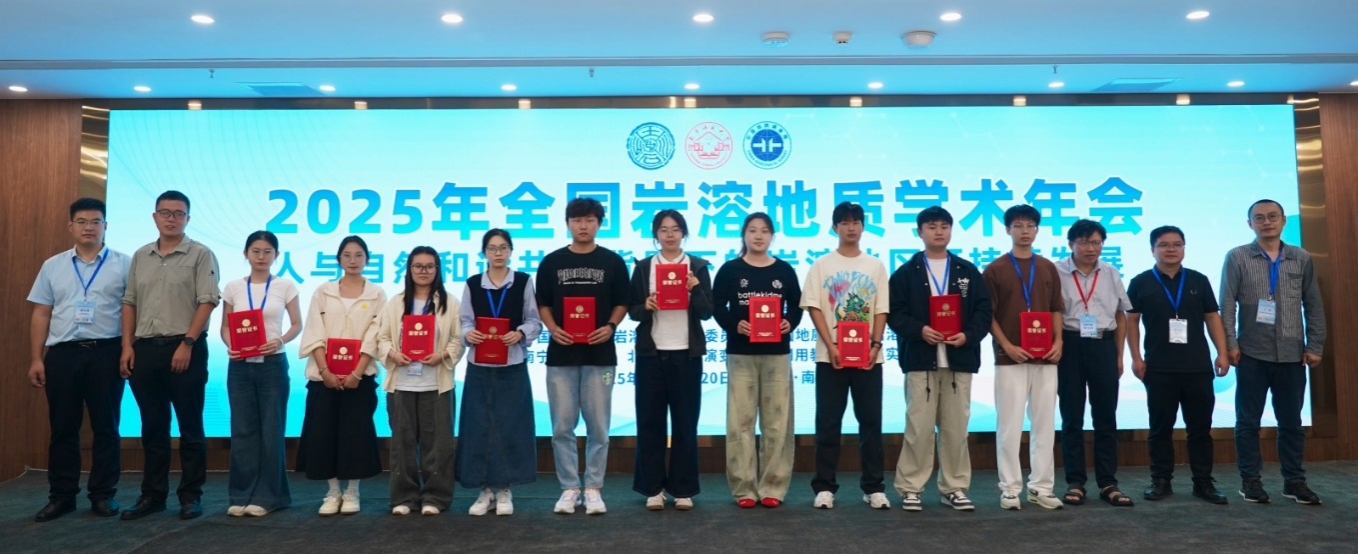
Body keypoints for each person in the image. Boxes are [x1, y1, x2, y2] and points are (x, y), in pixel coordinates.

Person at [27, 198, 132, 522]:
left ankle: (103, 495)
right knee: (63, 428)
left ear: (105, 226)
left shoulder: (124, 264)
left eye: (96, 221)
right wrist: (36, 358)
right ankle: (62, 497)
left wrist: (127, 348)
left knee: (106, 427)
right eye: (82, 221)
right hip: (63, 354)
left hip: (106, 352)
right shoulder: (53, 265)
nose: (89, 227)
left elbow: (131, 310)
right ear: (70, 225)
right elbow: (41, 313)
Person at [119, 190, 220, 521]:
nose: (171, 218)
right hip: (145, 349)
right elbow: (130, 302)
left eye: (178, 213)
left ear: (187, 219)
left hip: (185, 348)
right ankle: (153, 495)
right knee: (153, 427)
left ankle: (191, 495)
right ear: (155, 217)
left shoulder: (201, 254)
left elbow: (207, 301)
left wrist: (187, 343)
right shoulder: (141, 256)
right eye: (165, 212)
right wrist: (127, 346)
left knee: (190, 427)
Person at [1221, 200, 1327, 505]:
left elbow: (1313, 304)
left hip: (1292, 354)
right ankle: (1250, 481)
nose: (1266, 222)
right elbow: (1227, 304)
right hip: (1251, 353)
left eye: (1272, 217)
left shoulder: (1301, 257)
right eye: (1259, 218)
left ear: (1282, 221)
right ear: (1250, 224)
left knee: (1291, 423)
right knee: (1248, 422)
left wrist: (1315, 345)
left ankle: (1294, 481)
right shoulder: (1237, 256)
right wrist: (1231, 345)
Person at [887, 206, 991, 512]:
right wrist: (919, 330)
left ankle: (954, 487)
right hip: (921, 360)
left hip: (959, 361)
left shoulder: (966, 271)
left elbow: (984, 310)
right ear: (919, 232)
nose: (938, 232)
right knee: (918, 429)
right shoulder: (906, 273)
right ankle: (910, 488)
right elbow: (894, 313)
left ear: (951, 231)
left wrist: (968, 336)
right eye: (931, 226)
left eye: (944, 226)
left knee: (956, 430)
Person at [535, 197, 630, 516]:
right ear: (567, 223)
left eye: (590, 220)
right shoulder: (552, 262)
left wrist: (610, 326)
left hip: (600, 354)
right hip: (561, 355)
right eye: (577, 220)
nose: (583, 226)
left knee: (599, 427)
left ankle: (593, 488)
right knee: (562, 426)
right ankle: (569, 488)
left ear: (599, 223)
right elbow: (543, 303)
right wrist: (552, 328)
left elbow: (622, 301)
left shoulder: (613, 261)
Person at [1127, 226, 1230, 505]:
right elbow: (1131, 321)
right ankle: (1161, 480)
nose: (1171, 249)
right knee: (1160, 428)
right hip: (1159, 368)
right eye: (1163, 245)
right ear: (1152, 250)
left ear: (1184, 248)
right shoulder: (1140, 282)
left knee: (1200, 429)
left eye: (1177, 244)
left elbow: (1212, 317)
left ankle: (1203, 482)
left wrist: (1222, 353)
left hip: (1197, 367)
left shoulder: (1198, 280)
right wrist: (1136, 357)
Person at [802, 202, 891, 510]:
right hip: (831, 358)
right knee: (828, 423)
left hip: (868, 358)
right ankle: (825, 486)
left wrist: (875, 346)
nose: (851, 227)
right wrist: (831, 346)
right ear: (834, 227)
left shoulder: (875, 265)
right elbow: (814, 307)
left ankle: (873, 487)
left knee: (871, 423)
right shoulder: (821, 264)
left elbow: (881, 309)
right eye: (845, 222)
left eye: (856, 222)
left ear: (863, 227)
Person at [713, 212, 803, 509]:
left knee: (777, 423)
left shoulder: (784, 270)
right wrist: (734, 325)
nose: (758, 236)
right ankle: (744, 489)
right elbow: (717, 307)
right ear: (744, 235)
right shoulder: (730, 269)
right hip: (741, 354)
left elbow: (797, 306)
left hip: (777, 354)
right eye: (752, 230)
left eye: (764, 231)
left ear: (772, 236)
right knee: (740, 422)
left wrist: (790, 322)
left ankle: (773, 487)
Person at [628, 210, 714, 511]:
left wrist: (695, 289)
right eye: (663, 229)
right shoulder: (643, 268)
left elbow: (707, 312)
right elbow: (633, 311)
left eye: (676, 229)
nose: (670, 235)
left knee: (685, 424)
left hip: (686, 355)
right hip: (651, 354)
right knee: (649, 423)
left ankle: (683, 489)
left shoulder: (697, 267)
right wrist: (646, 305)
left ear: (684, 234)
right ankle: (652, 488)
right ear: (655, 234)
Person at [296, 236, 387, 516]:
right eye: (347, 255)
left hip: (359, 378)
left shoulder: (377, 294)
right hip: (324, 377)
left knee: (355, 435)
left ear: (367, 259)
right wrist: (325, 371)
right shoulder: (323, 292)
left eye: (359, 255)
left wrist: (357, 372)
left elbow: (376, 335)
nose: (352, 260)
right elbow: (314, 331)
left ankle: (352, 491)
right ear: (338, 259)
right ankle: (332, 491)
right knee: (324, 434)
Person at [982, 204, 1065, 511]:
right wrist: (1007, 345)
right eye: (1018, 225)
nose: (1025, 231)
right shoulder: (995, 269)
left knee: (1045, 424)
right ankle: (1009, 488)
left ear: (1037, 230)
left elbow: (1056, 308)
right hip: (1011, 358)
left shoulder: (1047, 267)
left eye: (1030, 225)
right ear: (1008, 230)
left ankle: (1042, 487)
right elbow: (987, 315)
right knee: (1009, 425)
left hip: (1046, 358)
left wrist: (1058, 341)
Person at [375, 246, 466, 516]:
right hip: (401, 383)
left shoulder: (450, 303)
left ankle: (434, 498)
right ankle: (404, 498)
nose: (423, 271)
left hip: (437, 384)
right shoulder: (396, 302)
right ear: (409, 269)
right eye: (418, 266)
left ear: (437, 269)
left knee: (438, 445)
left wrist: (443, 355)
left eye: (429, 266)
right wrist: (393, 354)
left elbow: (458, 338)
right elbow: (382, 338)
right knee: (401, 445)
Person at [458, 229, 543, 516]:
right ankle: (485, 491)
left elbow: (534, 321)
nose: (498, 253)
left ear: (510, 251)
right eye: (492, 248)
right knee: (479, 427)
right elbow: (464, 321)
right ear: (484, 252)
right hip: (479, 366)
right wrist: (469, 333)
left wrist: (519, 333)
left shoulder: (523, 281)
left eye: (503, 247)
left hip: (512, 365)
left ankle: (505, 489)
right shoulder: (473, 284)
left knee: (511, 427)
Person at [219, 231, 302, 517]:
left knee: (271, 430)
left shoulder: (285, 285)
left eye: (268, 251)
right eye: (255, 251)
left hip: (272, 364)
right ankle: (240, 495)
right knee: (242, 430)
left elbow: (297, 324)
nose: (261, 256)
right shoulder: (233, 287)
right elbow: (226, 326)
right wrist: (230, 345)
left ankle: (269, 496)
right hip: (240, 366)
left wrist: (279, 340)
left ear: (276, 255)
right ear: (246, 254)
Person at [1054, 219, 1134, 507]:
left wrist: (1119, 354)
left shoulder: (1110, 272)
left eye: (1097, 242)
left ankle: (1108, 482)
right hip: (1070, 345)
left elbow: (1121, 314)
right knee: (1071, 417)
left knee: (1106, 417)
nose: (1091, 248)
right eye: (1085, 242)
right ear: (1071, 244)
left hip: (1103, 344)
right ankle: (1075, 482)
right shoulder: (1056, 271)